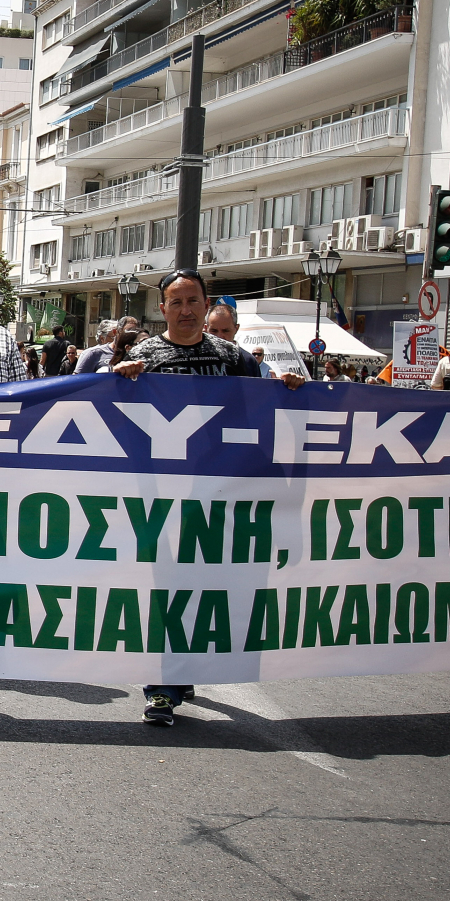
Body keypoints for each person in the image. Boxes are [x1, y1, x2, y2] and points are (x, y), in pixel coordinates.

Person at [113, 268, 303, 726]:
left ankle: (185, 667)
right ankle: (160, 686)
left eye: (192, 300)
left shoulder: (233, 357)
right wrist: (117, 377)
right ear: (161, 308)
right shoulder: (145, 355)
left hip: (217, 497)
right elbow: (108, 410)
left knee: (206, 588)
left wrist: (287, 388)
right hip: (161, 498)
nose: (184, 310)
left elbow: (262, 410)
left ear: (205, 304)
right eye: (175, 302)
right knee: (165, 592)